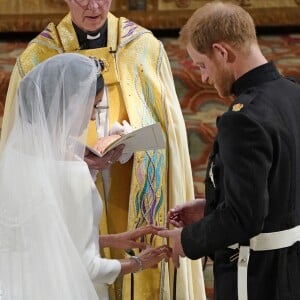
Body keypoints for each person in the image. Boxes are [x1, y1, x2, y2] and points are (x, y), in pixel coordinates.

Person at [0, 0, 205, 299]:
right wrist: (137, 262)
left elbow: (167, 129)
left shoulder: (143, 47)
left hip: (127, 185)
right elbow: (84, 264)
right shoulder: (38, 56)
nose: (94, 6)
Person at [0, 53, 172, 300]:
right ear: (72, 102)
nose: (92, 117)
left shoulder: (14, 157)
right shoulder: (74, 172)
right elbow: (87, 268)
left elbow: (44, 236)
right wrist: (139, 263)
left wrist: (111, 239)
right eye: (93, 106)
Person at [158, 1, 300, 300]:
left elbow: (244, 217)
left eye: (202, 65)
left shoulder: (242, 119)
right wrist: (210, 208)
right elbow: (279, 189)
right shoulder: (293, 92)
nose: (205, 78)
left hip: (257, 276)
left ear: (221, 52)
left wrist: (185, 241)